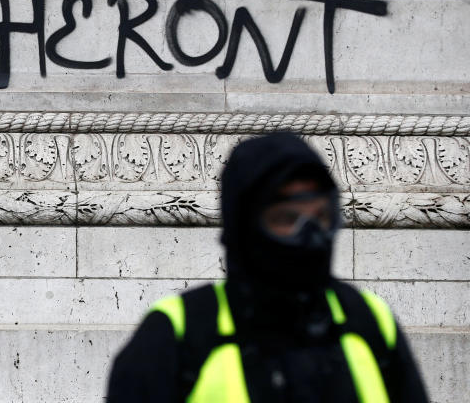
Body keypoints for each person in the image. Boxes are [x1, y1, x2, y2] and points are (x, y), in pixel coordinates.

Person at [106, 132, 428, 402]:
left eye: (320, 216)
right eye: (287, 219)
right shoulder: (178, 334)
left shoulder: (369, 321)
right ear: (244, 228)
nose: (310, 235)